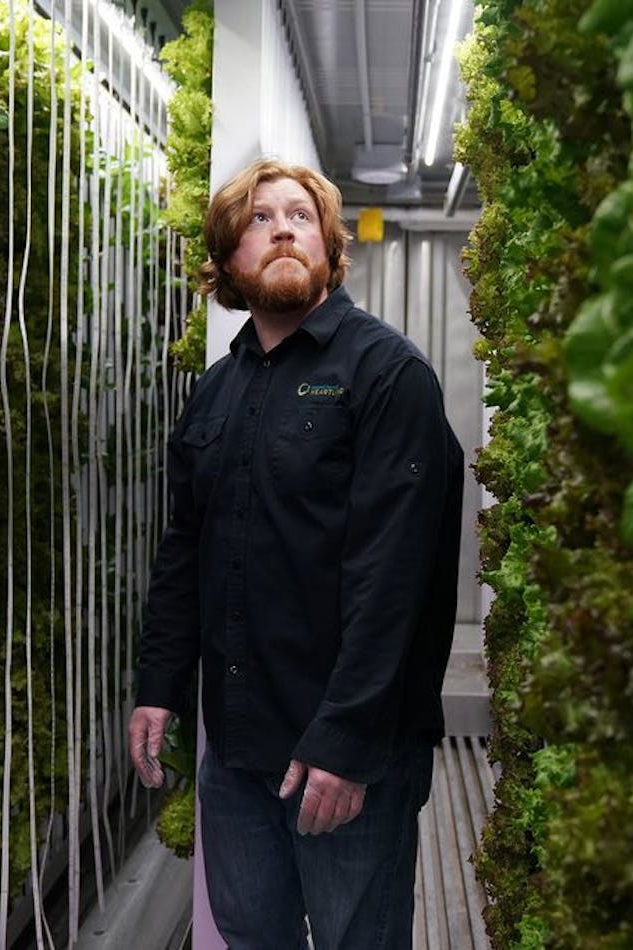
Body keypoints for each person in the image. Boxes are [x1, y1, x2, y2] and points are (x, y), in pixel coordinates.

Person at [129, 158, 463, 948]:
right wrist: (159, 684)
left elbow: (396, 582)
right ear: (227, 260)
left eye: (300, 217)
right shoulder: (216, 391)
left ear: (329, 249)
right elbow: (185, 554)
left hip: (348, 756)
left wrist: (345, 743)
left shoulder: (387, 376)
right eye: (257, 219)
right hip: (239, 748)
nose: (282, 228)